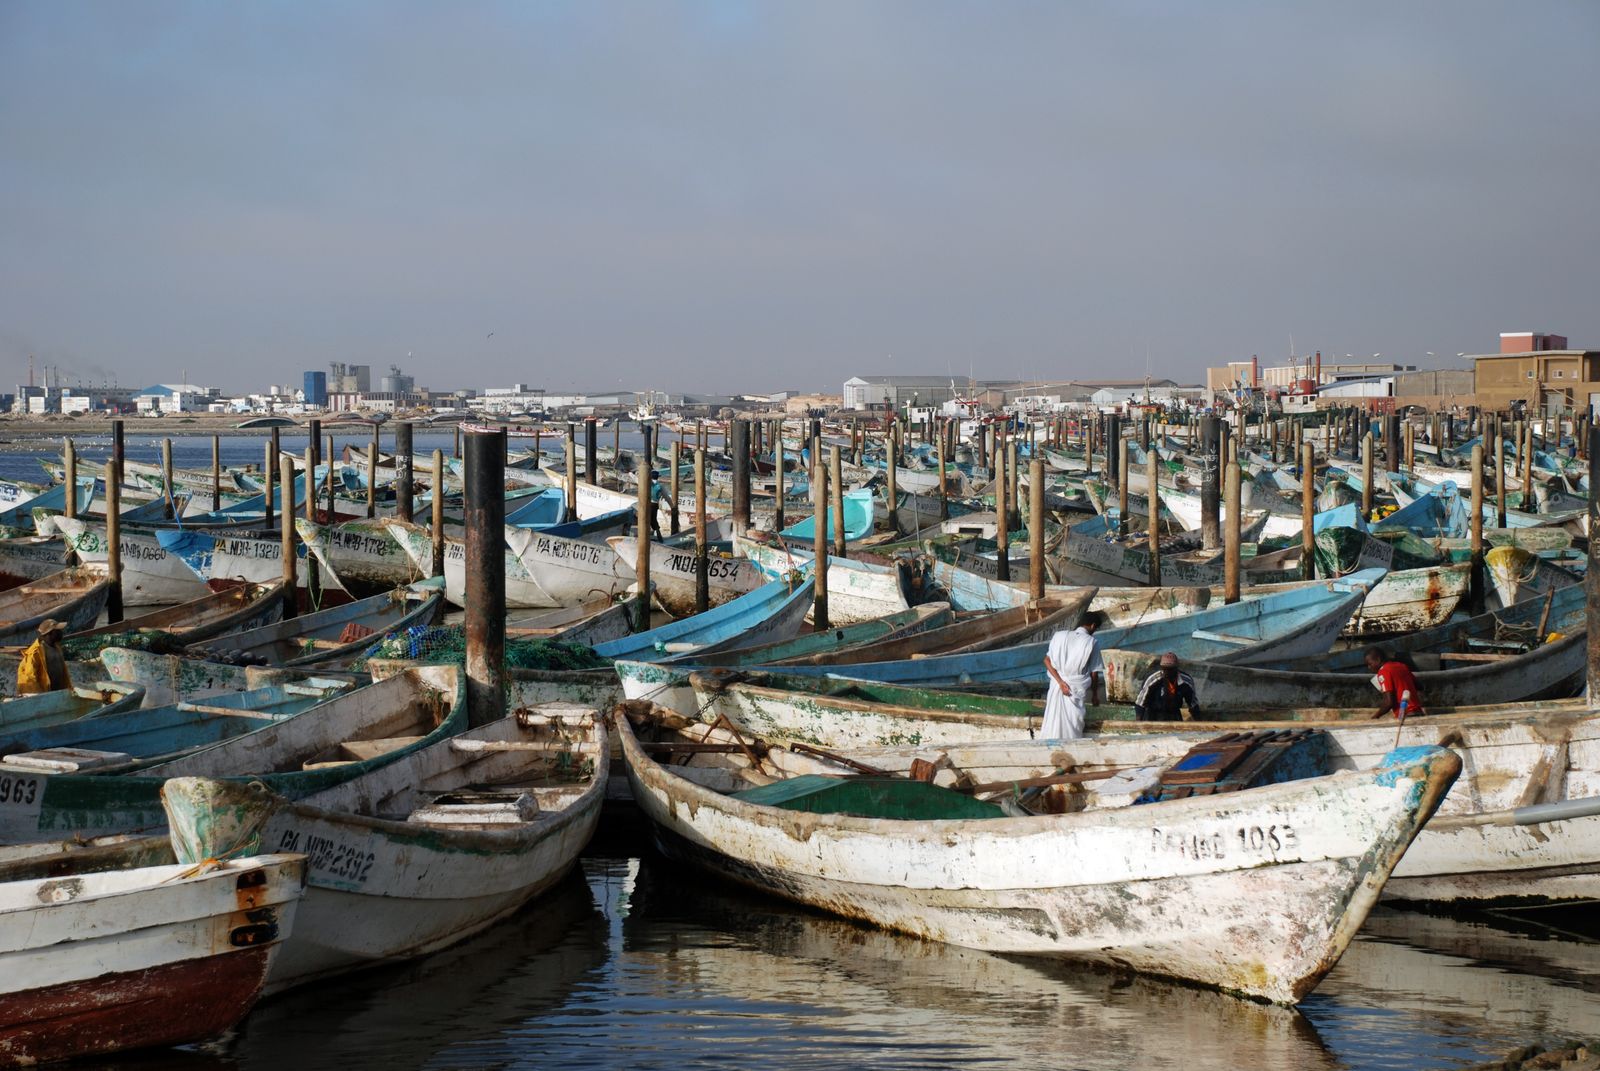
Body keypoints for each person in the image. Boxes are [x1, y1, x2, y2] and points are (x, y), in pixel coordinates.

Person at [1041, 611, 1105, 740]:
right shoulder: (1091, 642)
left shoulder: (1059, 636)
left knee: (1053, 718)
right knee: (1074, 722)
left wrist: (1060, 682)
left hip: (1058, 685)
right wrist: (1095, 695)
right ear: (1093, 626)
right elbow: (1094, 673)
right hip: (1075, 688)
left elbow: (1046, 661)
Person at [1133, 651, 1202, 722]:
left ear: (1176, 668)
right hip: (1153, 714)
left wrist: (1199, 723)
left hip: (1174, 713)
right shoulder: (1153, 679)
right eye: (1164, 669)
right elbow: (1140, 703)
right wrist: (1139, 723)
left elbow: (1193, 704)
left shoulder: (1186, 681)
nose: (1167, 672)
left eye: (1170, 669)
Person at [1365, 646, 1424, 720]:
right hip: (1418, 712)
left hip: (1405, 715)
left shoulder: (1383, 671)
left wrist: (1375, 716)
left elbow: (1389, 703)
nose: (1369, 667)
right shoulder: (1402, 666)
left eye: (1370, 664)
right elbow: (1420, 686)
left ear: (1378, 660)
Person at [16, 619, 71, 695]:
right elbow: (30, 677)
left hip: (59, 693)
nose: (61, 632)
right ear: (50, 633)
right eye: (58, 631)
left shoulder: (57, 647)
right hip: (46, 695)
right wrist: (41, 696)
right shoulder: (36, 652)